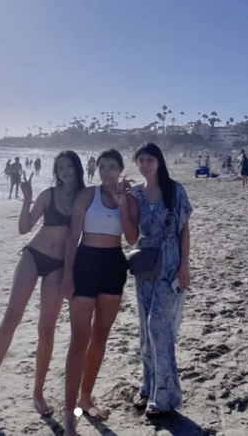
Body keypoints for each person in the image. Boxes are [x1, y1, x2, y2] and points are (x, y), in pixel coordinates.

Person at [0, 151, 85, 417]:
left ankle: (38, 392)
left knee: (46, 328)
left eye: (69, 166)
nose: (65, 171)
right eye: (60, 167)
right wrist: (26, 198)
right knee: (12, 316)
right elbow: (24, 228)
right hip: (33, 256)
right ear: (56, 171)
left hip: (58, 266)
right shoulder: (48, 194)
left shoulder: (84, 197)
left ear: (77, 168)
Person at [62, 149, 139, 436]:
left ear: (120, 169)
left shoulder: (129, 198)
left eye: (112, 167)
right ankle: (69, 412)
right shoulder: (87, 195)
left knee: (100, 335)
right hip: (85, 264)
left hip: (113, 266)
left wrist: (122, 205)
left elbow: (132, 238)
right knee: (78, 338)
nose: (107, 172)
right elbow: (73, 236)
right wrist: (68, 275)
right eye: (103, 166)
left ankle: (85, 398)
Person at [130, 142, 192, 418]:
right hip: (145, 264)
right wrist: (121, 202)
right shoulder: (135, 194)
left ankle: (164, 396)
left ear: (159, 162)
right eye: (141, 160)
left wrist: (184, 266)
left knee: (158, 326)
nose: (145, 165)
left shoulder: (175, 191)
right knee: (145, 329)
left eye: (150, 160)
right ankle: (148, 387)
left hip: (169, 265)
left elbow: (184, 231)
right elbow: (131, 234)